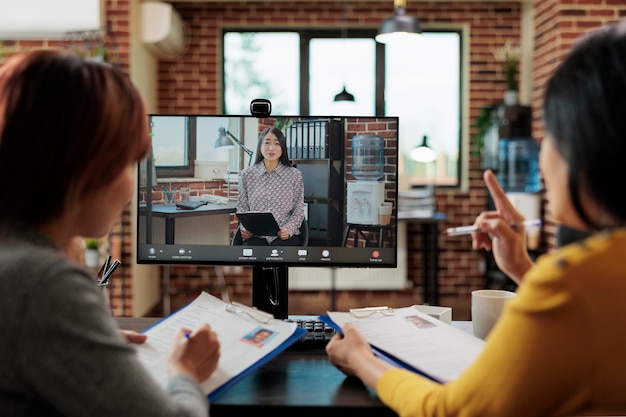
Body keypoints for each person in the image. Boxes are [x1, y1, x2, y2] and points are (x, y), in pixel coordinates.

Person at [326, 19, 626, 417]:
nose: (541, 155)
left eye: (549, 134)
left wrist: (362, 361)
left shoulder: (574, 285)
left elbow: (451, 410)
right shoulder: (599, 277)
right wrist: (521, 265)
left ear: (588, 149)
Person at [0, 49, 220, 416]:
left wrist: (80, 341)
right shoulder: (42, 284)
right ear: (85, 165)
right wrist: (185, 371)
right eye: (127, 162)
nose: (129, 184)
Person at [237, 126, 305, 246]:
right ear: (260, 146)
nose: (271, 148)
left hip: (284, 236)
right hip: (256, 235)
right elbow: (242, 208)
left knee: (277, 253)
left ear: (282, 147)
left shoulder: (294, 175)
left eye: (277, 143)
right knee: (250, 252)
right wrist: (245, 229)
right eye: (267, 143)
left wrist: (288, 230)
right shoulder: (247, 175)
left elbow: (298, 211)